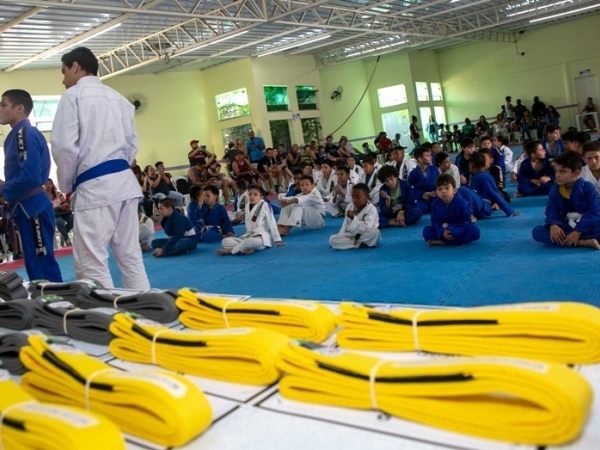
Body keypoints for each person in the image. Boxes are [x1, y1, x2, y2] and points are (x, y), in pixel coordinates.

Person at [51, 47, 149, 289]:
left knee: (91, 264)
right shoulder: (120, 99)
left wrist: (66, 185)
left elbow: (64, 147)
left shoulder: (73, 96)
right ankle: (149, 312)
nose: (63, 80)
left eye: (64, 72)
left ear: (75, 66)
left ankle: (104, 322)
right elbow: (131, 145)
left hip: (96, 189)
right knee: (130, 258)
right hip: (125, 184)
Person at [0, 89, 62, 281]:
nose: (0, 109)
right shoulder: (18, 135)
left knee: (41, 263)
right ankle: (46, 305)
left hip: (32, 206)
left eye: (3, 105)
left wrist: (2, 189)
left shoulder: (24, 134)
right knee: (34, 262)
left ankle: (56, 306)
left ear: (19, 108)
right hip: (26, 206)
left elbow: (31, 177)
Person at [532, 151, 600, 250]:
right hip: (566, 225)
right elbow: (551, 211)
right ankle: (583, 242)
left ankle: (574, 239)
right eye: (556, 171)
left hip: (588, 226)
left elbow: (595, 211)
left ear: (576, 173)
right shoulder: (555, 190)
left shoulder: (587, 187)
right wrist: (553, 225)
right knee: (537, 232)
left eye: (562, 172)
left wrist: (578, 232)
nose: (557, 175)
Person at [216, 185, 283, 256]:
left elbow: (271, 222)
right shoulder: (247, 206)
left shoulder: (264, 205)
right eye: (250, 194)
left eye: (255, 194)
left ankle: (231, 250)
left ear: (261, 197)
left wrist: (277, 239)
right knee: (225, 241)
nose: (252, 196)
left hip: (261, 237)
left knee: (249, 242)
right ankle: (248, 248)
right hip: (248, 235)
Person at [422, 174, 480, 246]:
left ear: (454, 190)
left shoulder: (462, 203)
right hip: (443, 229)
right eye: (440, 189)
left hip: (459, 229)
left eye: (447, 188)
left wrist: (452, 230)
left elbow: (466, 222)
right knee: (426, 231)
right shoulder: (435, 204)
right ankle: (453, 241)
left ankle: (441, 242)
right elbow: (434, 221)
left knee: (474, 232)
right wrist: (442, 231)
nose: (443, 191)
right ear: (436, 192)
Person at [329, 183, 381, 250]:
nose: (354, 200)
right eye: (352, 197)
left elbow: (366, 227)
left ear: (367, 197)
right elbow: (345, 225)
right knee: (332, 239)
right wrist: (340, 236)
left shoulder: (372, 209)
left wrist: (353, 218)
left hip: (365, 234)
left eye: (358, 197)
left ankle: (350, 244)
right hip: (352, 235)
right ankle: (360, 245)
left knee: (375, 233)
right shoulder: (350, 206)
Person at [469, 152, 518, 218]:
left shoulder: (485, 177)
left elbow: (494, 194)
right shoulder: (475, 177)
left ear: (472, 165)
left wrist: (510, 211)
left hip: (483, 208)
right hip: (477, 206)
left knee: (462, 190)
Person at [43, 178, 74, 247]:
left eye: (49, 184)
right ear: (44, 185)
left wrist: (65, 205)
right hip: (53, 213)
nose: (48, 185)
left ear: (52, 185)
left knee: (73, 219)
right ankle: (67, 239)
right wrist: (58, 207)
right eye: (46, 184)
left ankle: (63, 235)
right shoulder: (43, 196)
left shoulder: (58, 193)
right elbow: (45, 207)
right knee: (59, 222)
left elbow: (64, 202)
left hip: (63, 212)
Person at [407, 147, 438, 214]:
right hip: (421, 197)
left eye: (430, 155)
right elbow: (408, 188)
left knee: (437, 207)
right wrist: (422, 194)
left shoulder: (434, 169)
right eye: (427, 155)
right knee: (421, 209)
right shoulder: (413, 173)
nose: (431, 157)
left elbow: (441, 183)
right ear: (420, 159)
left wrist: (436, 192)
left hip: (434, 196)